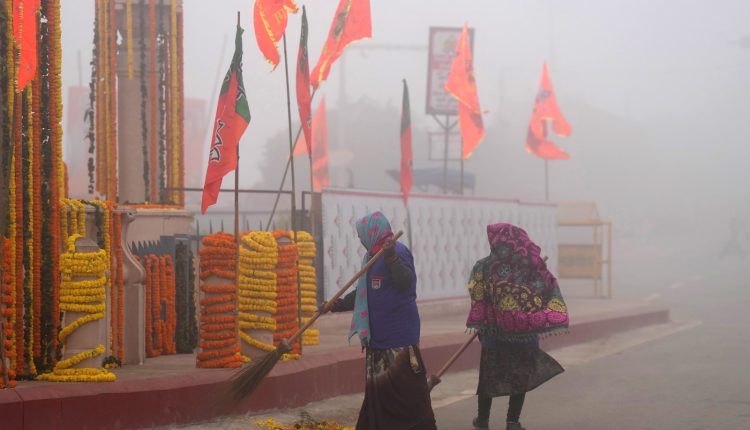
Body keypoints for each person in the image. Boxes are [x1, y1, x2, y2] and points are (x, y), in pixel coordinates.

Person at [324, 211, 436, 430]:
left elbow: (405, 283)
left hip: (398, 341)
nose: (360, 239)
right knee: (381, 397)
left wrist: (391, 257)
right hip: (378, 341)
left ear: (372, 233)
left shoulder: (397, 251)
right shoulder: (370, 258)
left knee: (408, 395)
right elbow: (362, 293)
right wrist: (334, 305)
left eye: (361, 235)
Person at [466, 223, 568, 430]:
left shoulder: (483, 266)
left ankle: (483, 420)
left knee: (489, 377)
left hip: (493, 336)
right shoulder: (532, 265)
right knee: (519, 377)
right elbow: (546, 290)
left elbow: (476, 293)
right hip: (525, 336)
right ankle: (512, 422)